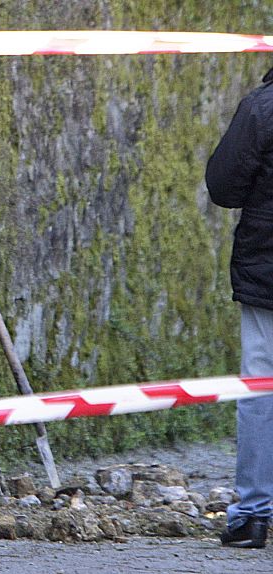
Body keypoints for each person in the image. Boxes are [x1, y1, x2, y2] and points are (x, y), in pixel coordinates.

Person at [205, 65, 273, 549]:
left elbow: (224, 188)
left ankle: (252, 516)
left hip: (268, 269)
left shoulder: (261, 108)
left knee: (261, 387)